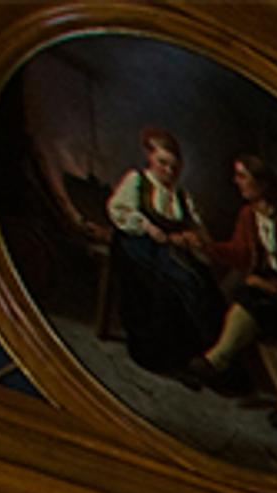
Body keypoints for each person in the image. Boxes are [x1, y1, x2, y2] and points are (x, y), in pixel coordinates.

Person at [202, 153, 277, 430]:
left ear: (262, 183)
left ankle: (217, 359)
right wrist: (207, 246)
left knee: (254, 302)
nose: (236, 182)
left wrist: (271, 286)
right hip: (269, 303)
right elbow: (240, 254)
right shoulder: (248, 215)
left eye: (242, 176)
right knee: (259, 312)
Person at [100, 126, 217, 378]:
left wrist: (192, 237)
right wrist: (146, 227)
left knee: (202, 282)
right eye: (162, 163)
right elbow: (118, 210)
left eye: (174, 167)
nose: (168, 171)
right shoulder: (137, 181)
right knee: (164, 285)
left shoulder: (182, 196)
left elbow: (197, 228)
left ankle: (197, 357)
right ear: (150, 158)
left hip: (170, 251)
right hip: (136, 247)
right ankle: (156, 356)